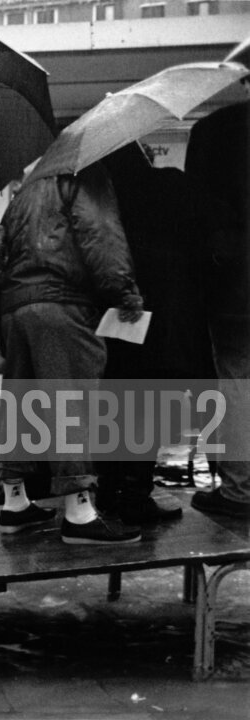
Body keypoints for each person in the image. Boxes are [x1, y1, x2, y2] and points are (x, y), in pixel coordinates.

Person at [0, 161, 144, 544]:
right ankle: (79, 513)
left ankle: (15, 503)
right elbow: (100, 235)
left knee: (21, 404)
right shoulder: (84, 176)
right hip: (62, 302)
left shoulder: (25, 191)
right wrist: (124, 292)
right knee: (71, 404)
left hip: (16, 307)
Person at [98, 143, 212, 524]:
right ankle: (136, 494)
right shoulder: (171, 185)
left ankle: (111, 491)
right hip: (170, 314)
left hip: (122, 312)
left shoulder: (107, 200)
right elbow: (199, 240)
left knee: (118, 405)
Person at [185, 101, 250, 520]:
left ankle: (240, 490)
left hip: (236, 287)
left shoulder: (217, 129)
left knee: (237, 386)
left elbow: (196, 212)